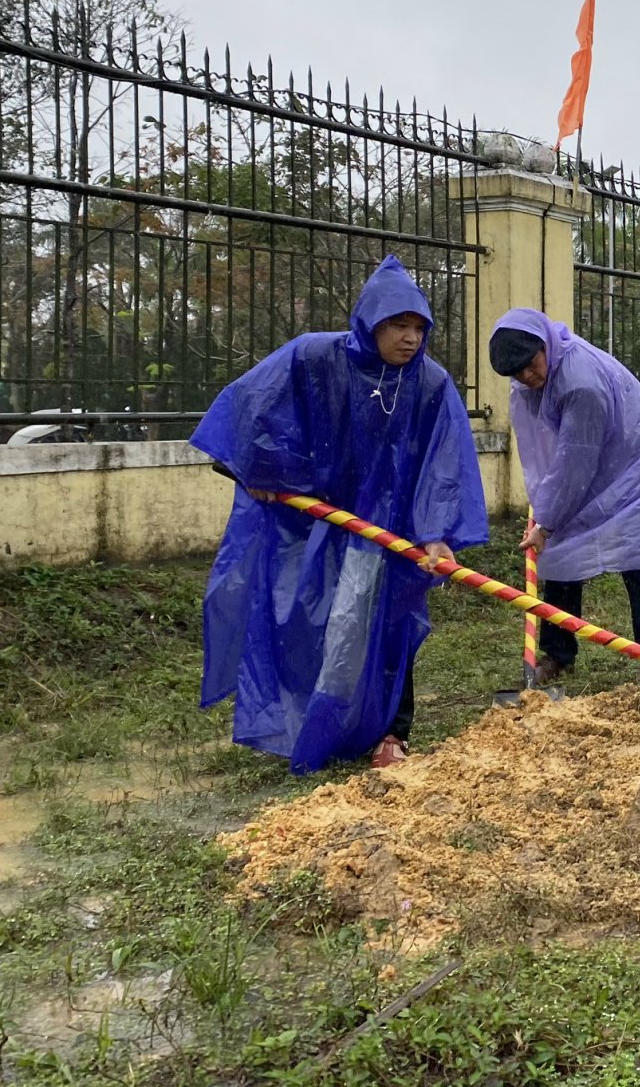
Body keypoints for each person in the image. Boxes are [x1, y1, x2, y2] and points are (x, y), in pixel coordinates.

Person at [192, 257, 489, 774]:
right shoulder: (315, 357)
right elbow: (256, 406)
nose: (410, 338)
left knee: (388, 624)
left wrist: (436, 533)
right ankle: (315, 719)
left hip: (389, 529)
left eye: (419, 327)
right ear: (371, 321)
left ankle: (392, 729)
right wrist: (261, 470)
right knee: (310, 617)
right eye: (399, 324)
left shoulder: (430, 385)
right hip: (313, 521)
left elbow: (443, 462)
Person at [489, 309, 640, 683]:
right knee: (561, 549)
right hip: (599, 451)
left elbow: (575, 461)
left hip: (636, 456)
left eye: (530, 363)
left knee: (635, 550)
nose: (526, 375)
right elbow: (551, 446)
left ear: (545, 345)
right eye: (517, 371)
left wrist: (546, 521)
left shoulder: (579, 383)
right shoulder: (532, 380)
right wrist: (549, 513)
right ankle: (558, 654)